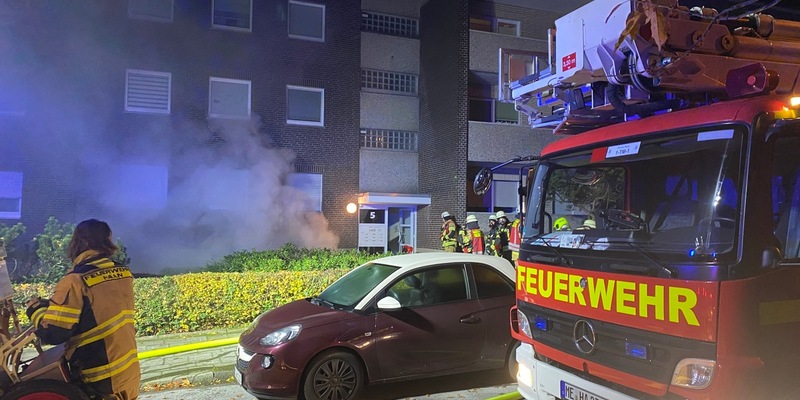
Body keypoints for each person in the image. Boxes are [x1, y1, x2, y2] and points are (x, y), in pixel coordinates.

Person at [26, 219, 139, 400]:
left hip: (99, 375)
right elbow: (95, 309)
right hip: (128, 371)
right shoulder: (123, 272)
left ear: (80, 242)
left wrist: (37, 311)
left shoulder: (75, 280)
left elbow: (54, 333)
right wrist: (55, 306)